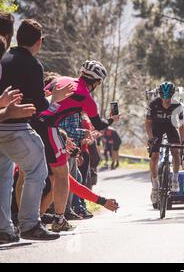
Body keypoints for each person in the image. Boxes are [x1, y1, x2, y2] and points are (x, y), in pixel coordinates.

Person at [0, 18, 69, 242]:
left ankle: (5, 229)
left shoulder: (4, 57)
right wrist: (55, 98)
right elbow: (39, 107)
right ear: (39, 42)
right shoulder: (33, 64)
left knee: (3, 177)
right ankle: (30, 224)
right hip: (16, 127)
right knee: (37, 169)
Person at [33, 60, 120, 232]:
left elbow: (42, 96)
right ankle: (57, 219)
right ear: (96, 82)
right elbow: (99, 124)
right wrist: (111, 120)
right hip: (48, 128)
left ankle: (33, 219)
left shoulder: (61, 80)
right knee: (62, 176)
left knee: (51, 178)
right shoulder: (85, 97)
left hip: (31, 122)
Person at [145, 82, 184, 208]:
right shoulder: (153, 104)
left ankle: (174, 178)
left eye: (169, 97)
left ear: (173, 95)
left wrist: (183, 141)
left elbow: (182, 125)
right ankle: (155, 185)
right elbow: (148, 123)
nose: (166, 100)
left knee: (176, 152)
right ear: (160, 95)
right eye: (164, 97)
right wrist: (151, 138)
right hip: (156, 128)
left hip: (171, 127)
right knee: (155, 156)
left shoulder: (177, 105)